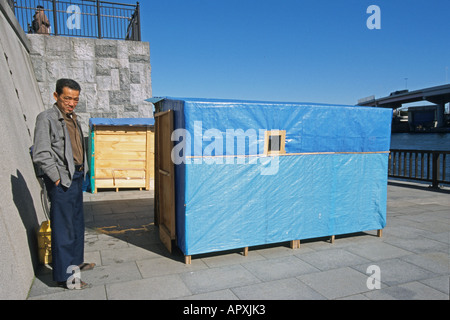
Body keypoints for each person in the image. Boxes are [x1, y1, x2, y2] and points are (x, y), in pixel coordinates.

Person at [33, 79, 95, 290]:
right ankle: (66, 278)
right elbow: (41, 152)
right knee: (64, 229)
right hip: (62, 181)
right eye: (67, 98)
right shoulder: (46, 118)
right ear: (56, 96)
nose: (71, 103)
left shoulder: (73, 119)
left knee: (76, 224)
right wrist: (57, 177)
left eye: (75, 99)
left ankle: (75, 264)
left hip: (77, 178)